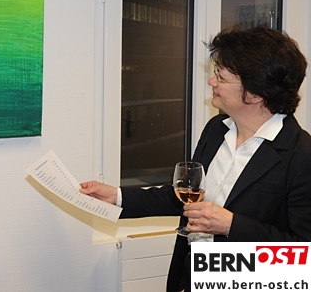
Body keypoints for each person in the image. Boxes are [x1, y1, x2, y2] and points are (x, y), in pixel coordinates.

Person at [79, 26, 311, 292]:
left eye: (221, 77)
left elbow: (304, 255)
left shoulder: (302, 155)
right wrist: (117, 197)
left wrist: (231, 226)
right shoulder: (216, 130)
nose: (212, 82)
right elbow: (185, 197)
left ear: (256, 93)